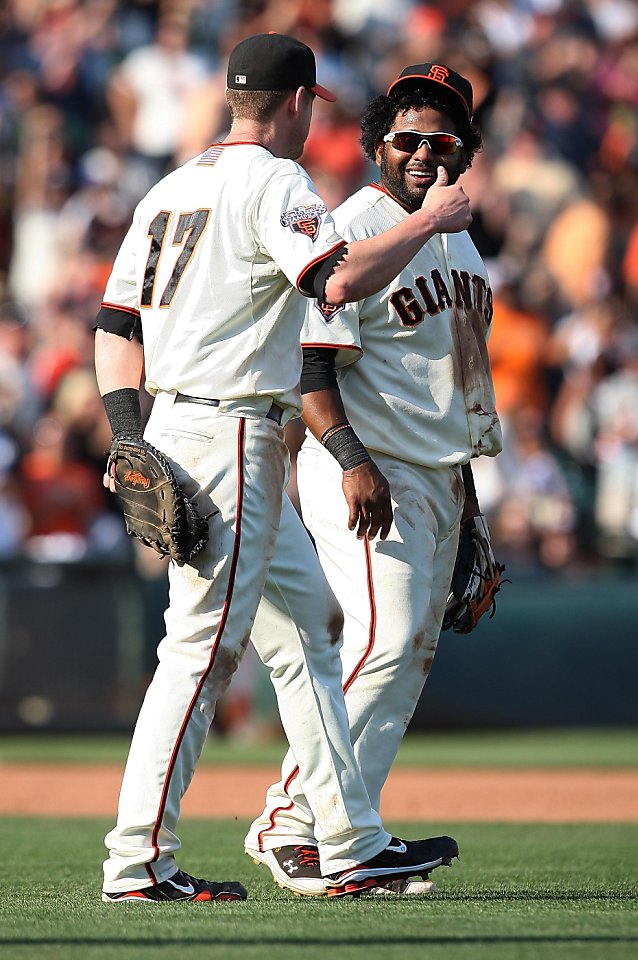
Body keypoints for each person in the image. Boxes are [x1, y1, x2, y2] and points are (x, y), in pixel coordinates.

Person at [94, 35, 473, 903]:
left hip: (185, 425)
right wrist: (425, 223)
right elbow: (334, 282)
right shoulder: (274, 181)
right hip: (230, 432)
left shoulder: (170, 188)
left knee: (311, 630)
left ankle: (347, 841)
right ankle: (136, 863)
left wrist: (125, 435)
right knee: (202, 651)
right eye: (313, 106)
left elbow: (116, 326)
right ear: (300, 100)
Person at [246, 62, 502, 896]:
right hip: (365, 465)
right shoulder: (353, 224)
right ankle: (289, 819)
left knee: (409, 658)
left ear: (465, 150)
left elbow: (457, 382)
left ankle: (348, 830)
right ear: (378, 145)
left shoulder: (454, 232)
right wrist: (352, 460)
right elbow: (310, 368)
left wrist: (472, 516)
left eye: (444, 138)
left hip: (439, 474)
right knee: (382, 642)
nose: (426, 150)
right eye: (408, 137)